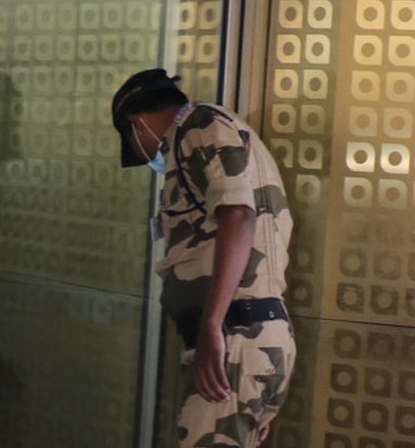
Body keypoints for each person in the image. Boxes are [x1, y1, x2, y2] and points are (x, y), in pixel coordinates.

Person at [111, 68, 295, 447]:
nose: (147, 156)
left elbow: (238, 215)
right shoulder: (218, 131)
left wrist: (212, 326)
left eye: (134, 141)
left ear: (135, 123)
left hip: (235, 336)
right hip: (251, 338)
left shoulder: (198, 125)